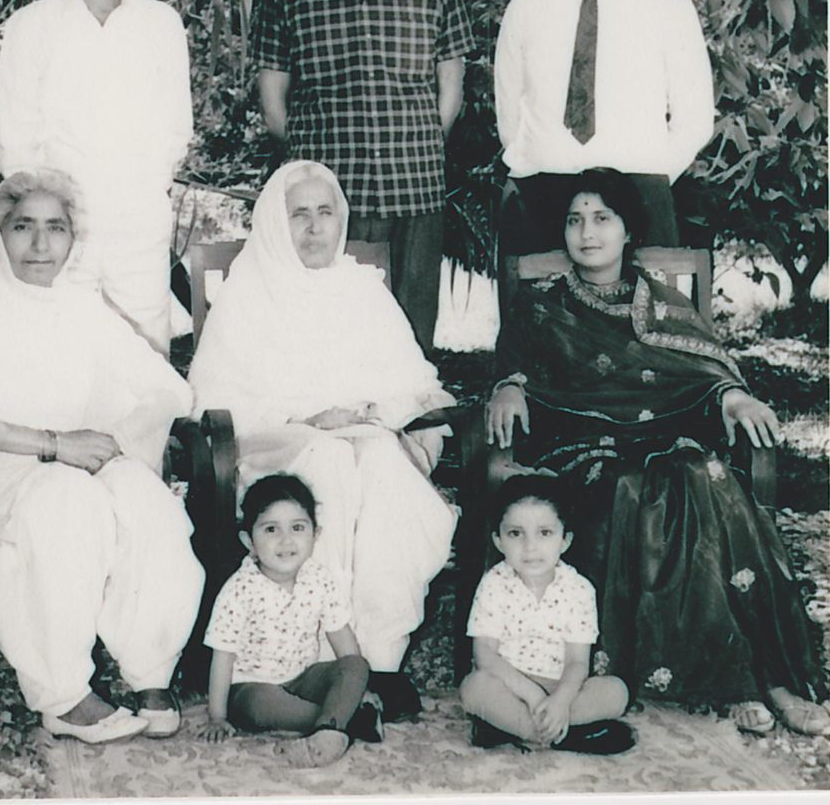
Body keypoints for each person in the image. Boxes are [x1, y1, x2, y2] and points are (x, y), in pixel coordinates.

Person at [485, 168, 830, 736]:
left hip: (666, 440)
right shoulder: (540, 306)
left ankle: (771, 677)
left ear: (628, 231)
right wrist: (509, 387)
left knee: (703, 474)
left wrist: (736, 398)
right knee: (628, 486)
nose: (587, 233)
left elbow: (706, 369)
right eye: (575, 220)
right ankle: (735, 681)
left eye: (602, 219)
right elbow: (511, 370)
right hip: (583, 447)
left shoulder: (663, 304)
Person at [0, 169, 205, 743]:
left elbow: (167, 388)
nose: (40, 245)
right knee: (67, 502)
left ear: (72, 237)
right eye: (23, 227)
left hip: (75, 464)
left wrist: (117, 441)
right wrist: (52, 444)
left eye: (55, 228)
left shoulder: (82, 307)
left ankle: (149, 669)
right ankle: (63, 695)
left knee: (147, 501)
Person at [188, 160, 457, 722]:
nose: (314, 228)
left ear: (342, 221)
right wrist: (309, 417)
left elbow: (415, 384)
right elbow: (213, 402)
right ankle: (317, 664)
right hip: (277, 449)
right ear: (273, 224)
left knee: (383, 465)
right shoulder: (246, 296)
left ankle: (378, 659)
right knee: (330, 462)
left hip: (364, 440)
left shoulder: (362, 290)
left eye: (325, 213)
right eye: (299, 215)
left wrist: (373, 414)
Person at [252, 0, 476, 353]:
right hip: (328, 204)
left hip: (414, 190)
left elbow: (451, 90)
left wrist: (416, 141)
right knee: (330, 343)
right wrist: (316, 170)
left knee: (411, 343)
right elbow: (274, 107)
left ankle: (413, 439)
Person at [0, 0, 193, 355]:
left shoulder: (160, 24)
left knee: (144, 365)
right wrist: (52, 223)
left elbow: (174, 133)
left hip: (137, 229)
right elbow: (14, 142)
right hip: (58, 233)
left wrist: (135, 197)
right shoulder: (31, 26)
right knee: (57, 359)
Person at [494, 0, 714, 257]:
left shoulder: (668, 4)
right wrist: (539, 169)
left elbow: (695, 119)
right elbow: (510, 118)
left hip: (641, 200)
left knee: (644, 323)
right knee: (542, 323)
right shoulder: (525, 8)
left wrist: (644, 180)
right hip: (542, 201)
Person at [202, 474, 383, 767]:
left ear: (315, 534)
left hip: (303, 677)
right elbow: (222, 657)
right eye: (271, 529)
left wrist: (357, 684)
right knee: (261, 706)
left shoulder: (319, 578)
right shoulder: (239, 589)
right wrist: (217, 717)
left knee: (356, 664)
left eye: (298, 527)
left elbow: (342, 639)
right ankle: (341, 721)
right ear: (249, 540)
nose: (286, 540)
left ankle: (336, 721)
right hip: (251, 687)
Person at [460, 475, 634, 754]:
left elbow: (578, 662)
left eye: (545, 533)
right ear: (498, 540)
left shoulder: (579, 589)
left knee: (616, 693)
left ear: (565, 540)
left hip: (561, 686)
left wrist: (561, 702)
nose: (530, 547)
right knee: (473, 688)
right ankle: (562, 735)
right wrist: (530, 695)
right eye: (516, 533)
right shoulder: (494, 583)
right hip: (510, 685)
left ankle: (515, 728)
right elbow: (485, 655)